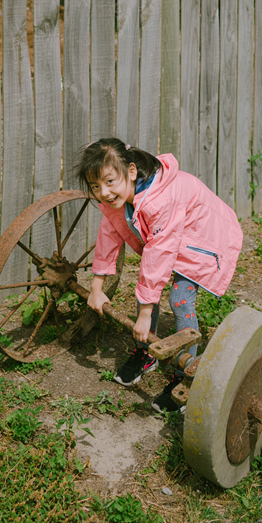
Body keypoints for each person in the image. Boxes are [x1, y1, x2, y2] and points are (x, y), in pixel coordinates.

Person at [76, 137, 243, 414]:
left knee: (179, 298)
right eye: (95, 186)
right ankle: (147, 353)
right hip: (176, 236)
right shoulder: (120, 197)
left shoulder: (160, 201)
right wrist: (96, 286)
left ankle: (187, 372)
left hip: (206, 239)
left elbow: (159, 255)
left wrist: (143, 314)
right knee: (147, 288)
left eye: (109, 182)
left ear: (130, 172)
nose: (103, 193)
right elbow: (109, 235)